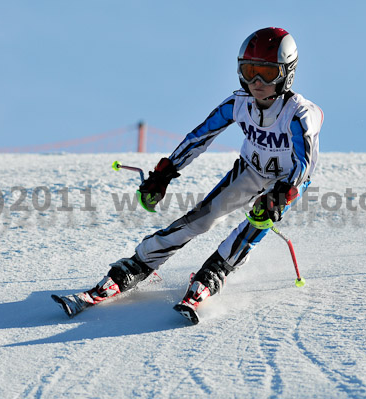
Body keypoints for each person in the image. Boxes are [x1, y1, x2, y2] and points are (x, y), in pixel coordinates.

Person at [52, 27, 324, 323]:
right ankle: (136, 265)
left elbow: (304, 163)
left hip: (287, 181)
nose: (256, 82)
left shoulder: (299, 114)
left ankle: (212, 274)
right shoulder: (238, 104)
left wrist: (281, 194)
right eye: (249, 70)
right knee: (202, 218)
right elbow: (199, 137)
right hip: (251, 170)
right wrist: (165, 173)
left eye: (267, 73)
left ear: (287, 74)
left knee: (255, 224)